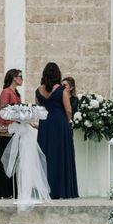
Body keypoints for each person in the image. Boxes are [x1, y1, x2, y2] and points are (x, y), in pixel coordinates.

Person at [36, 62, 79, 199]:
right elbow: (68, 110)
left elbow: (38, 110)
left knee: (45, 155)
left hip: (45, 125)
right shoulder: (61, 90)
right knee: (61, 155)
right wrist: (66, 121)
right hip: (60, 124)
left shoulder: (38, 90)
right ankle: (61, 190)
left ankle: (46, 190)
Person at [0, 69, 23, 198]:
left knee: (13, 160)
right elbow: (4, 112)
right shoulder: (6, 92)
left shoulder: (16, 93)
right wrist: (18, 119)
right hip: (6, 131)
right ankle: (3, 191)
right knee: (4, 160)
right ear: (14, 78)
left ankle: (11, 190)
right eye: (20, 77)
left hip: (14, 130)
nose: (22, 79)